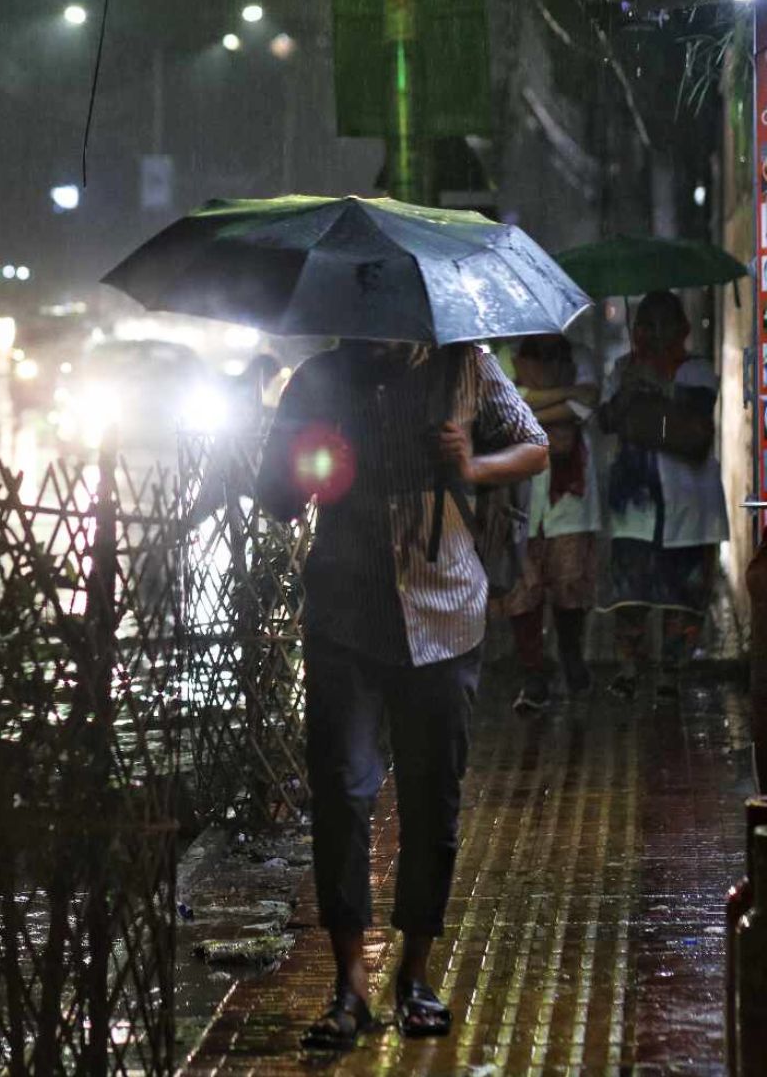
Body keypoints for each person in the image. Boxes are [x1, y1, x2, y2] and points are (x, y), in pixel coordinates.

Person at [257, 338, 548, 1050]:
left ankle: (416, 975)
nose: (385, 333)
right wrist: (308, 470)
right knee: (343, 791)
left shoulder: (465, 367)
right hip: (346, 619)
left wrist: (472, 462)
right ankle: (350, 982)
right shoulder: (319, 378)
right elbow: (276, 496)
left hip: (445, 614)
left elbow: (534, 446)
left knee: (432, 794)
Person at [597, 291, 727, 700]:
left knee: (684, 597)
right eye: (647, 324)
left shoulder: (698, 371)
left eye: (664, 324)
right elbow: (608, 420)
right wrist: (636, 399)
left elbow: (688, 431)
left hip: (690, 504)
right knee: (630, 595)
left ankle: (672, 671)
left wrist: (647, 398)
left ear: (681, 328)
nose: (655, 334)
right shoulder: (621, 370)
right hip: (635, 505)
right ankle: (629, 668)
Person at [500, 334, 601, 710]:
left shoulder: (582, 354)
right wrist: (563, 395)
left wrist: (527, 405)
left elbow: (584, 405)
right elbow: (504, 408)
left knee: (569, 580)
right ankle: (533, 672)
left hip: (570, 495)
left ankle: (571, 657)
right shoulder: (506, 358)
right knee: (522, 588)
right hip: (520, 489)